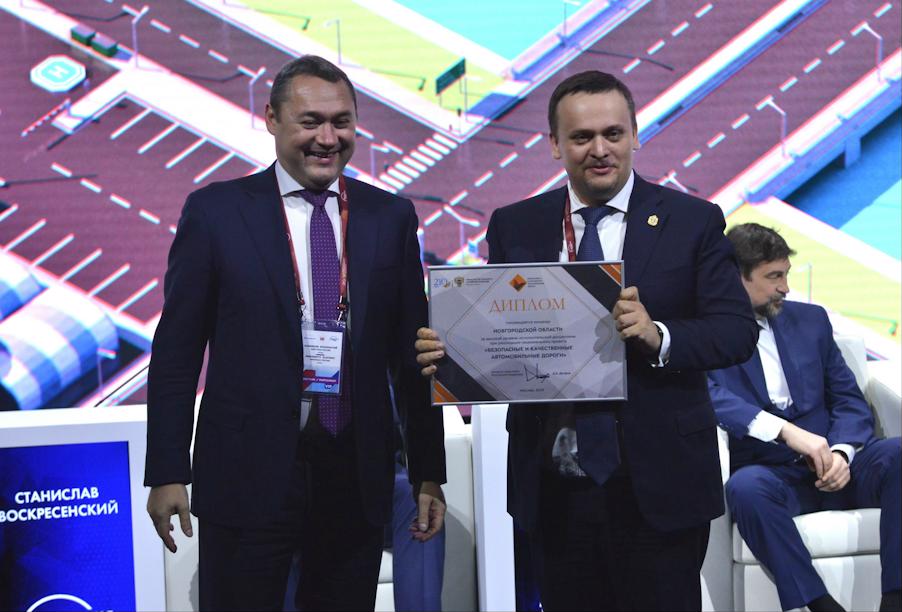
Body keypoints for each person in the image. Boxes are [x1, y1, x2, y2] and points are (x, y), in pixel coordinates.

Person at [416, 70, 758, 611]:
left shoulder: (692, 221)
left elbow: (736, 331)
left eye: (613, 134)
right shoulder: (516, 225)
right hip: (554, 486)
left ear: (635, 135)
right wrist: (452, 351)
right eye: (581, 137)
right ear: (555, 144)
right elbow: (501, 332)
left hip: (660, 484)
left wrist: (658, 335)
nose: (599, 150)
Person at [144, 55, 446, 611]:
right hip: (246, 474)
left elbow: (412, 359)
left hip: (354, 476)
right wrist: (166, 472)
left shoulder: (390, 217)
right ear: (272, 119)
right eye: (311, 122)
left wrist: (429, 472)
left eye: (341, 122)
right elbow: (177, 353)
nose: (327, 139)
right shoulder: (215, 213)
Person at [707, 223, 901, 612]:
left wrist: (842, 453)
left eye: (786, 274)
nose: (785, 288)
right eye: (774, 277)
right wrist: (785, 431)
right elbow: (710, 397)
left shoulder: (812, 321)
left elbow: (848, 400)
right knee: (746, 489)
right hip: (772, 473)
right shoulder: (706, 335)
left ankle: (895, 598)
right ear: (737, 277)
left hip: (840, 466)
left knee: (898, 453)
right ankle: (820, 604)